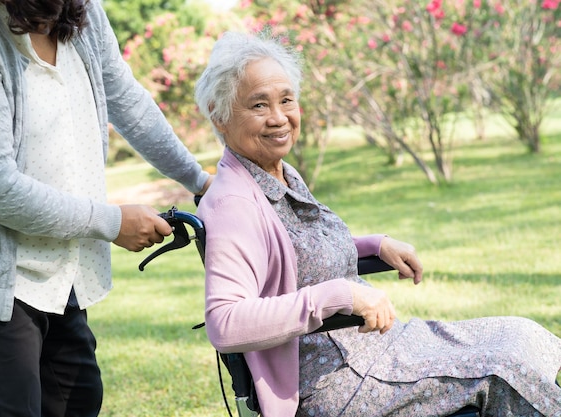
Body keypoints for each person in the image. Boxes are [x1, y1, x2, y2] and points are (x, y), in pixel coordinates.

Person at [194, 31, 561, 417]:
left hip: (376, 347)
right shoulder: (234, 203)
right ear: (220, 114)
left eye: (286, 100)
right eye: (258, 105)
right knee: (504, 371)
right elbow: (225, 323)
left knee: (522, 335)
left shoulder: (275, 171)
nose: (279, 117)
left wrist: (373, 245)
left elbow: (298, 251)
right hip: (336, 379)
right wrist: (341, 295)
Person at [0, 0, 213, 416]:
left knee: (79, 401)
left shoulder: (82, 11)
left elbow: (127, 101)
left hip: (64, 275)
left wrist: (201, 181)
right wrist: (112, 222)